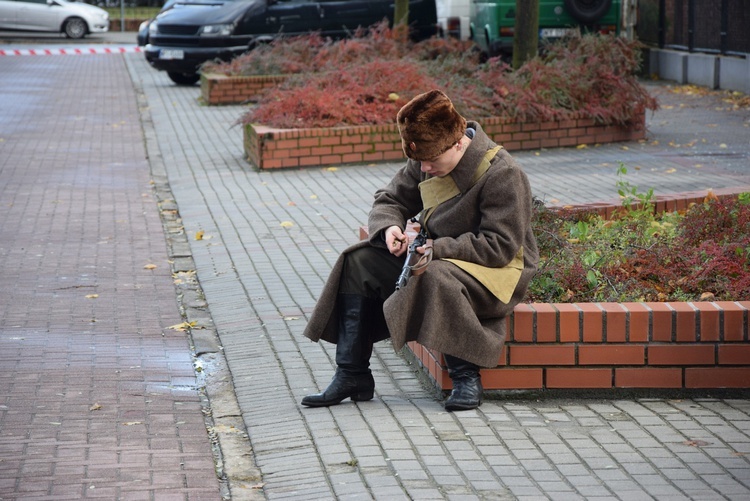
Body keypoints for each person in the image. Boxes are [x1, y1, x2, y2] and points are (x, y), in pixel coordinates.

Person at [301, 89, 539, 411]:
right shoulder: (426, 157)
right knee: (358, 262)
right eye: (420, 161)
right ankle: (352, 374)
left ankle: (466, 378)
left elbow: (500, 246)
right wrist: (390, 229)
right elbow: (390, 200)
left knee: (435, 274)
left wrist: (435, 248)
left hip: (494, 271)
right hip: (435, 255)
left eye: (431, 161)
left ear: (458, 143)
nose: (424, 169)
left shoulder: (503, 174)